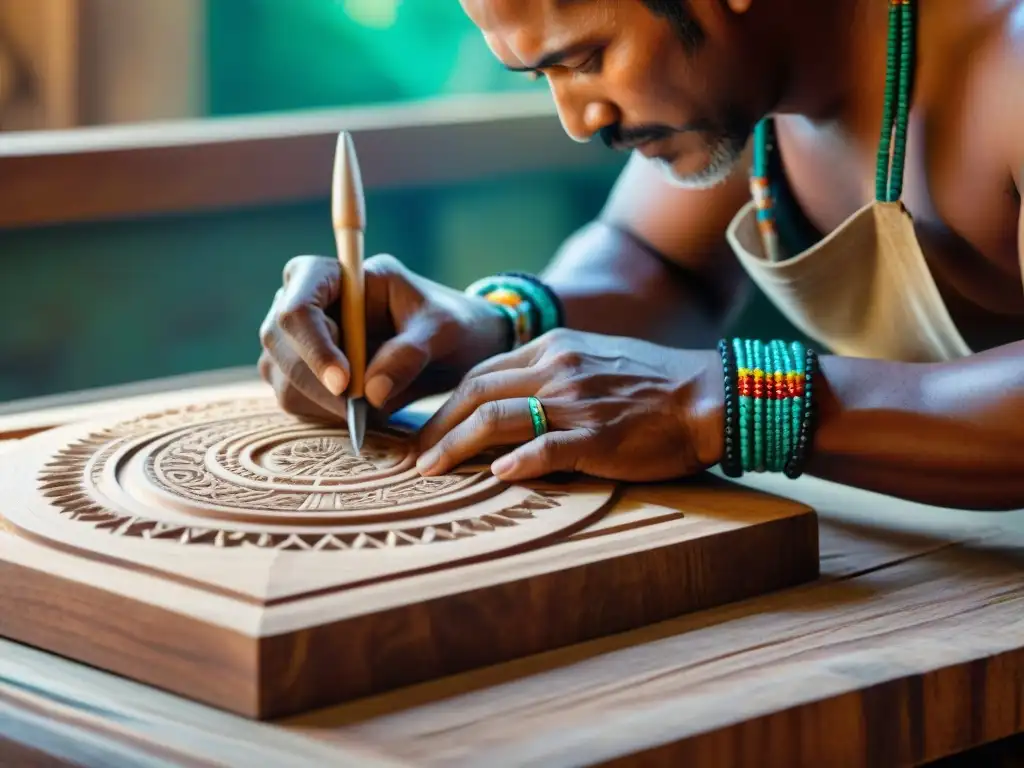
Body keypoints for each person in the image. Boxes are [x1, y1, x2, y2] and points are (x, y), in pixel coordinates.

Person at [258, 0, 1024, 510]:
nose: (576, 119)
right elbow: (652, 259)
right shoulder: (749, 95)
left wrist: (715, 403)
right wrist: (484, 326)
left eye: (586, 59)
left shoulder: (1010, 60)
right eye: (541, 75)